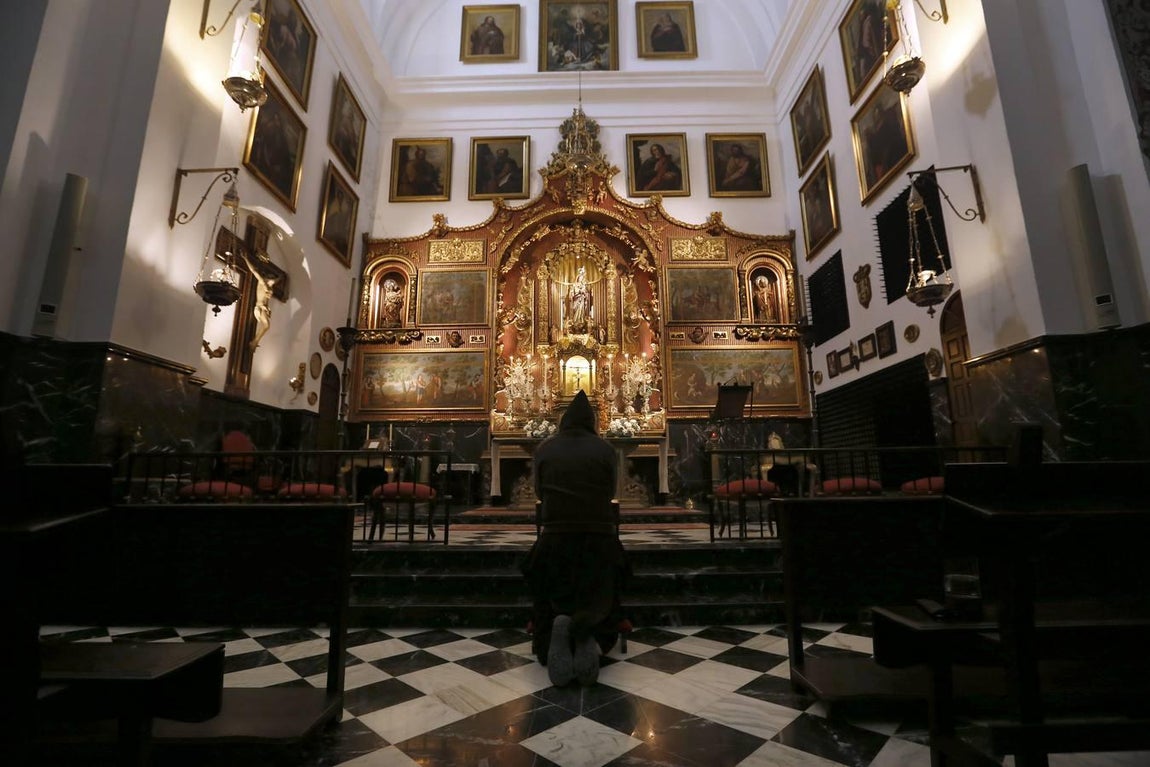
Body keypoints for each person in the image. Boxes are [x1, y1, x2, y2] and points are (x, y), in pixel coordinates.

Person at [521, 390, 629, 686]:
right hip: (598, 539)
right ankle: (592, 638)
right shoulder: (605, 449)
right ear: (591, 421)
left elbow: (540, 493)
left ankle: (551, 636)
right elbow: (610, 493)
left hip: (555, 538)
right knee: (608, 584)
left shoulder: (544, 448)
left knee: (546, 586)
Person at [245, 258, 278, 353]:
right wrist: (245, 258)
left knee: (266, 326)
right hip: (259, 307)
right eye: (272, 279)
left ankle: (255, 342)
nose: (273, 282)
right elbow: (254, 271)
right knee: (266, 326)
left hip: (264, 308)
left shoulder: (269, 286)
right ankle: (254, 342)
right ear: (268, 278)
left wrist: (282, 276)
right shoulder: (263, 282)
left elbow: (278, 279)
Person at [565, 265, 593, 334]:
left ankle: (581, 321)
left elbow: (587, 295)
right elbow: (571, 294)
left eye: (582, 278)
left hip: (582, 300)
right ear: (578, 278)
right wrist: (573, 293)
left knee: (582, 311)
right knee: (575, 310)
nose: (581, 279)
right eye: (580, 278)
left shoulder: (584, 286)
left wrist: (585, 293)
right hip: (576, 300)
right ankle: (575, 321)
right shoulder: (574, 285)